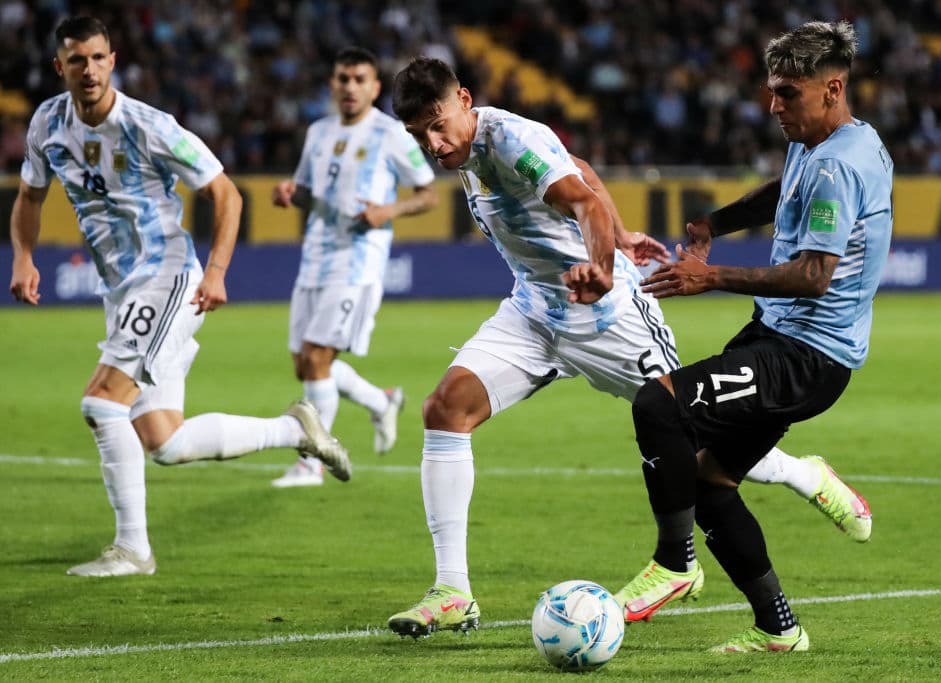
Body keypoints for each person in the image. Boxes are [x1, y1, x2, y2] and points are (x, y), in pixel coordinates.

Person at [383, 56, 872, 638]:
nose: (434, 145)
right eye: (419, 135)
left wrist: (601, 264)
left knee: (691, 439)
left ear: (464, 100)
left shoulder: (512, 139)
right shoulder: (467, 152)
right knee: (445, 410)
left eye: (438, 124)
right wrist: (619, 236)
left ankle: (801, 474)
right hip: (535, 312)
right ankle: (452, 591)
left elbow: (582, 198)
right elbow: (583, 169)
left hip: (609, 316)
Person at [9, 16, 349, 577]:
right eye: (77, 61)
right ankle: (295, 430)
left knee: (100, 403)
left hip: (165, 276)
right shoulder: (48, 122)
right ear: (59, 66)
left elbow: (226, 194)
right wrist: (23, 257)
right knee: (164, 441)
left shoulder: (148, 126)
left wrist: (215, 272)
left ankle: (133, 550)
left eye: (97, 58)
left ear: (112, 61)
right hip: (120, 289)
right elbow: (28, 195)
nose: (88, 70)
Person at [615, 20, 892, 652]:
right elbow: (781, 191)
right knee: (711, 484)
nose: (773, 106)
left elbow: (815, 275)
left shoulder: (839, 169)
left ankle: (673, 563)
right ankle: (779, 628)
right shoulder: (830, 140)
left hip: (806, 356)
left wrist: (708, 275)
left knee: (659, 404)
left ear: (832, 88)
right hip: (780, 339)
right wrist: (716, 220)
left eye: (787, 94)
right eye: (771, 91)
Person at [269, 48, 438, 489]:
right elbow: (307, 191)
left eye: (359, 79)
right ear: (333, 84)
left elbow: (428, 194)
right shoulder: (319, 132)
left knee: (318, 359)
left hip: (357, 260)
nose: (349, 87)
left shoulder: (390, 134)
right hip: (315, 256)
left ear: (374, 87)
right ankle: (381, 403)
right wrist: (291, 193)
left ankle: (312, 463)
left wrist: (388, 210)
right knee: (305, 366)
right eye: (343, 78)